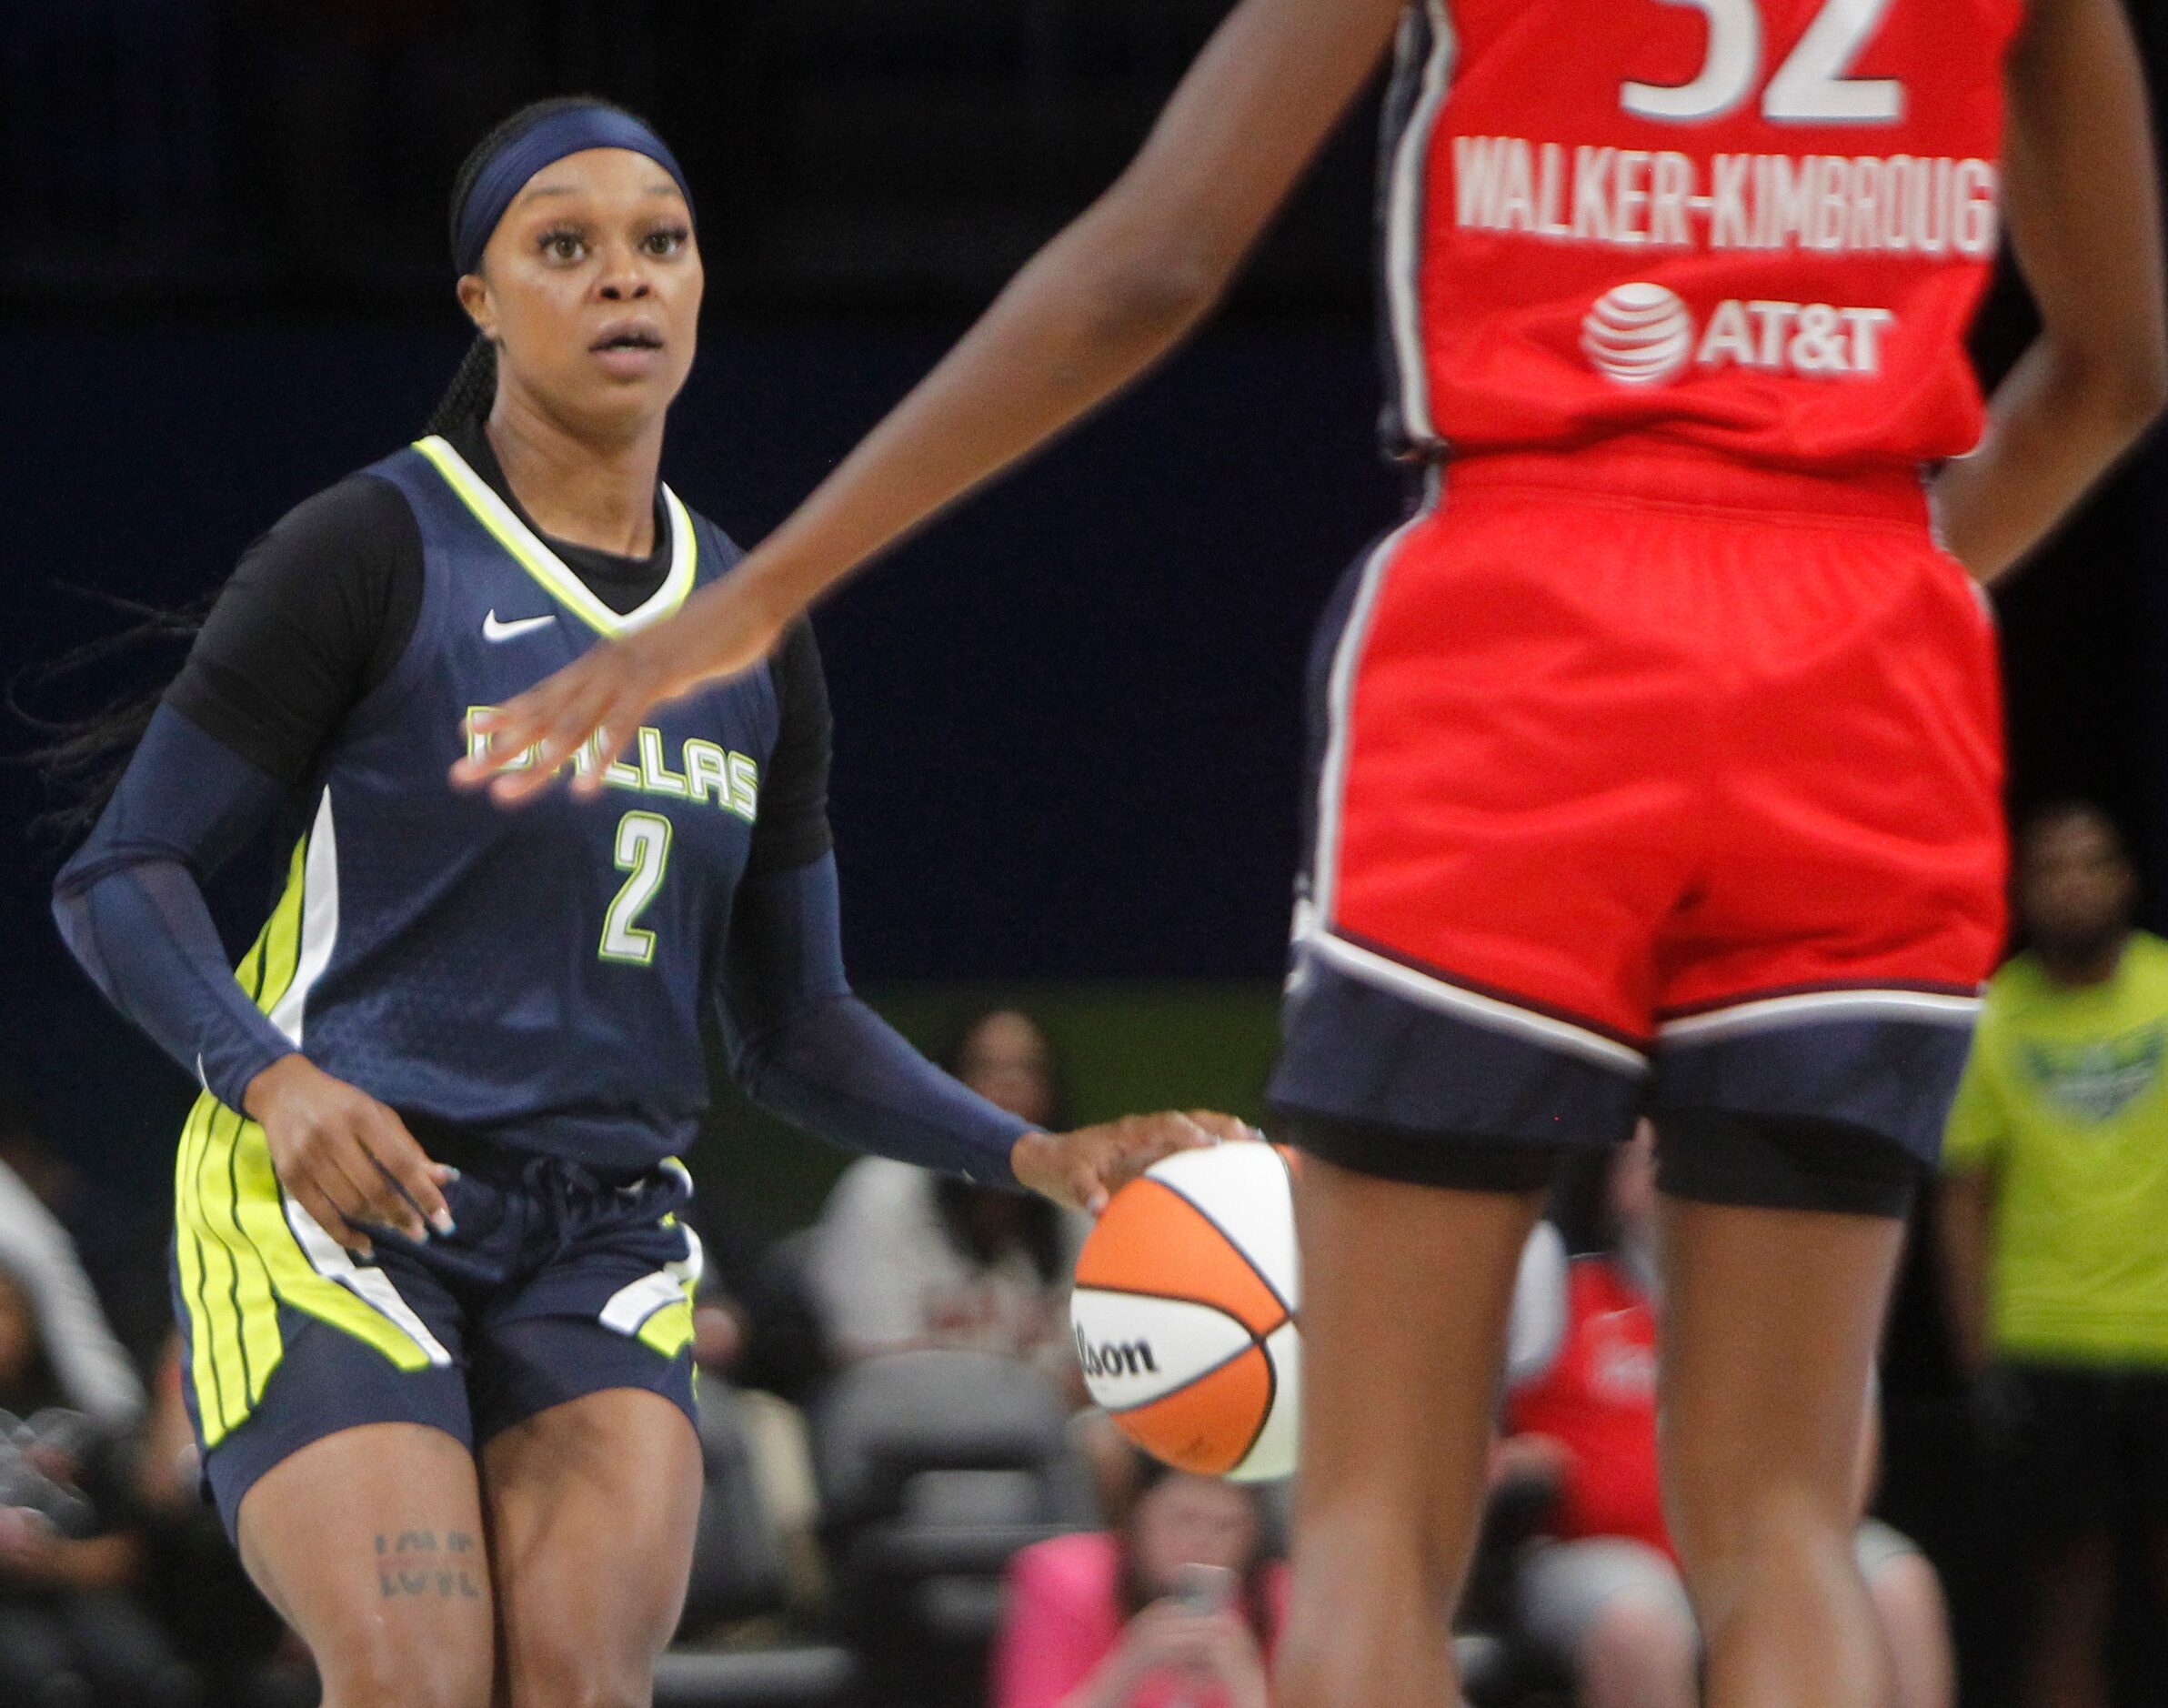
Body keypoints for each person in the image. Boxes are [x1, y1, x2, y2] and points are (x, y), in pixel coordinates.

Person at [453, 3, 2168, 1704]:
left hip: (1527, 638)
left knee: (1367, 1533)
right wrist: (1861, 603)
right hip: (1868, 660)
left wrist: (758, 594)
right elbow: (2113, 366)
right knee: (1787, 1524)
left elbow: (1150, 263)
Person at [48, 98, 1240, 1708]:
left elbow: (795, 1027)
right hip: (335, 1197)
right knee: (414, 1671)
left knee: (576, 1679)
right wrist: (273, 1074)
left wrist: (1031, 1153)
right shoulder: (371, 546)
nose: (624, 280)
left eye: (658, 245)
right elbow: (117, 874)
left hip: (600, 1221)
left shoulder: (750, 625)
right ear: (480, 299)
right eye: (567, 247)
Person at [1502, 1126, 1952, 1708]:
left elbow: (1854, 1466)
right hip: (1602, 1548)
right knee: (1641, 1624)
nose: (1660, 1181)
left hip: (1763, 1528)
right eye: (1640, 1163)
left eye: (1673, 1160)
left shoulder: (1796, 1305)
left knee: (1896, 1587)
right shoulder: (1560, 1286)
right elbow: (1488, 1439)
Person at [1936, 801, 2168, 1708]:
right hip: (2043, 1342)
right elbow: (1961, 1195)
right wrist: (1975, 1355)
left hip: (2159, 1335)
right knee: (2062, 1602)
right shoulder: (1993, 1017)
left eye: (2089, 864)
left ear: (2124, 879)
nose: (2071, 885)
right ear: (2021, 892)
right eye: (2048, 870)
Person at [812, 1010, 1081, 1372]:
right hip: (911, 1426)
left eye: (1029, 1071)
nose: (1010, 1088)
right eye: (986, 1069)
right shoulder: (882, 1194)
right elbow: (870, 1377)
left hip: (1048, 1428)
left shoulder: (1079, 1207)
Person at [0, 1261, 201, 1708]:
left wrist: (60, 1562)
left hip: (81, 1589)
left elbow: (133, 1549)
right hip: (9, 1608)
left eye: (5, 1310)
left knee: (152, 1675)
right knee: (44, 1680)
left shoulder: (77, 1421)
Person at [991, 1452, 1284, 1708]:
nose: (1202, 1543)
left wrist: (1246, 1685)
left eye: (1227, 1526)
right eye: (1184, 1519)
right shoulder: (1063, 1581)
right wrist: (1128, 1668)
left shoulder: (1282, 1597)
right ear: (1138, 1516)